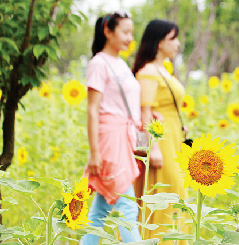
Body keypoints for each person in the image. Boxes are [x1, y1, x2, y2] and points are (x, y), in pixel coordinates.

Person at [82, 11, 142, 244]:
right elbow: (92, 109)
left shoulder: (121, 64)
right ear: (108, 31)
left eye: (131, 33)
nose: (129, 38)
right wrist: (94, 153)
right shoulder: (99, 63)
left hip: (123, 139)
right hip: (109, 141)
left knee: (99, 214)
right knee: (127, 209)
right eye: (125, 32)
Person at [132, 19, 189, 242]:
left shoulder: (162, 70)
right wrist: (153, 148)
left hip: (173, 139)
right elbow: (144, 111)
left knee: (175, 198)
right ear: (158, 42)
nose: (178, 43)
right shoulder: (148, 72)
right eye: (173, 38)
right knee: (167, 198)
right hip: (161, 144)